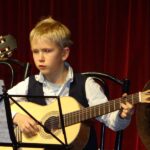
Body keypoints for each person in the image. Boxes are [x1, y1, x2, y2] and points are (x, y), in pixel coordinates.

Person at [8, 17, 134, 150]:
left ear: (64, 53)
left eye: (47, 51)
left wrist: (122, 115)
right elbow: (1, 101)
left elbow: (112, 121)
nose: (40, 58)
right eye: (35, 51)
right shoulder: (29, 84)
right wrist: (17, 117)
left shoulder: (86, 85)